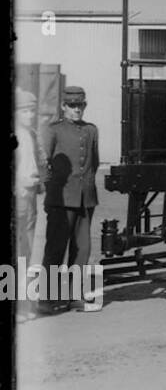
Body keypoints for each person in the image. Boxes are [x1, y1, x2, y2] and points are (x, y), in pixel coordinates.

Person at [41, 85, 100, 312]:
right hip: (61, 199)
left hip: (86, 199)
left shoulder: (91, 130)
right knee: (56, 248)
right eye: (72, 106)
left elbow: (93, 163)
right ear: (63, 107)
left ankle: (75, 295)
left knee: (82, 248)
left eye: (81, 105)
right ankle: (47, 298)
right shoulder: (54, 130)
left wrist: (88, 190)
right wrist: (52, 193)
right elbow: (44, 163)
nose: (77, 110)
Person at [15, 89, 45, 317]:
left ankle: (24, 303)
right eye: (25, 110)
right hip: (17, 197)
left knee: (26, 251)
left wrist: (40, 182)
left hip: (30, 196)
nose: (30, 115)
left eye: (33, 110)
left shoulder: (32, 134)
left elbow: (40, 161)